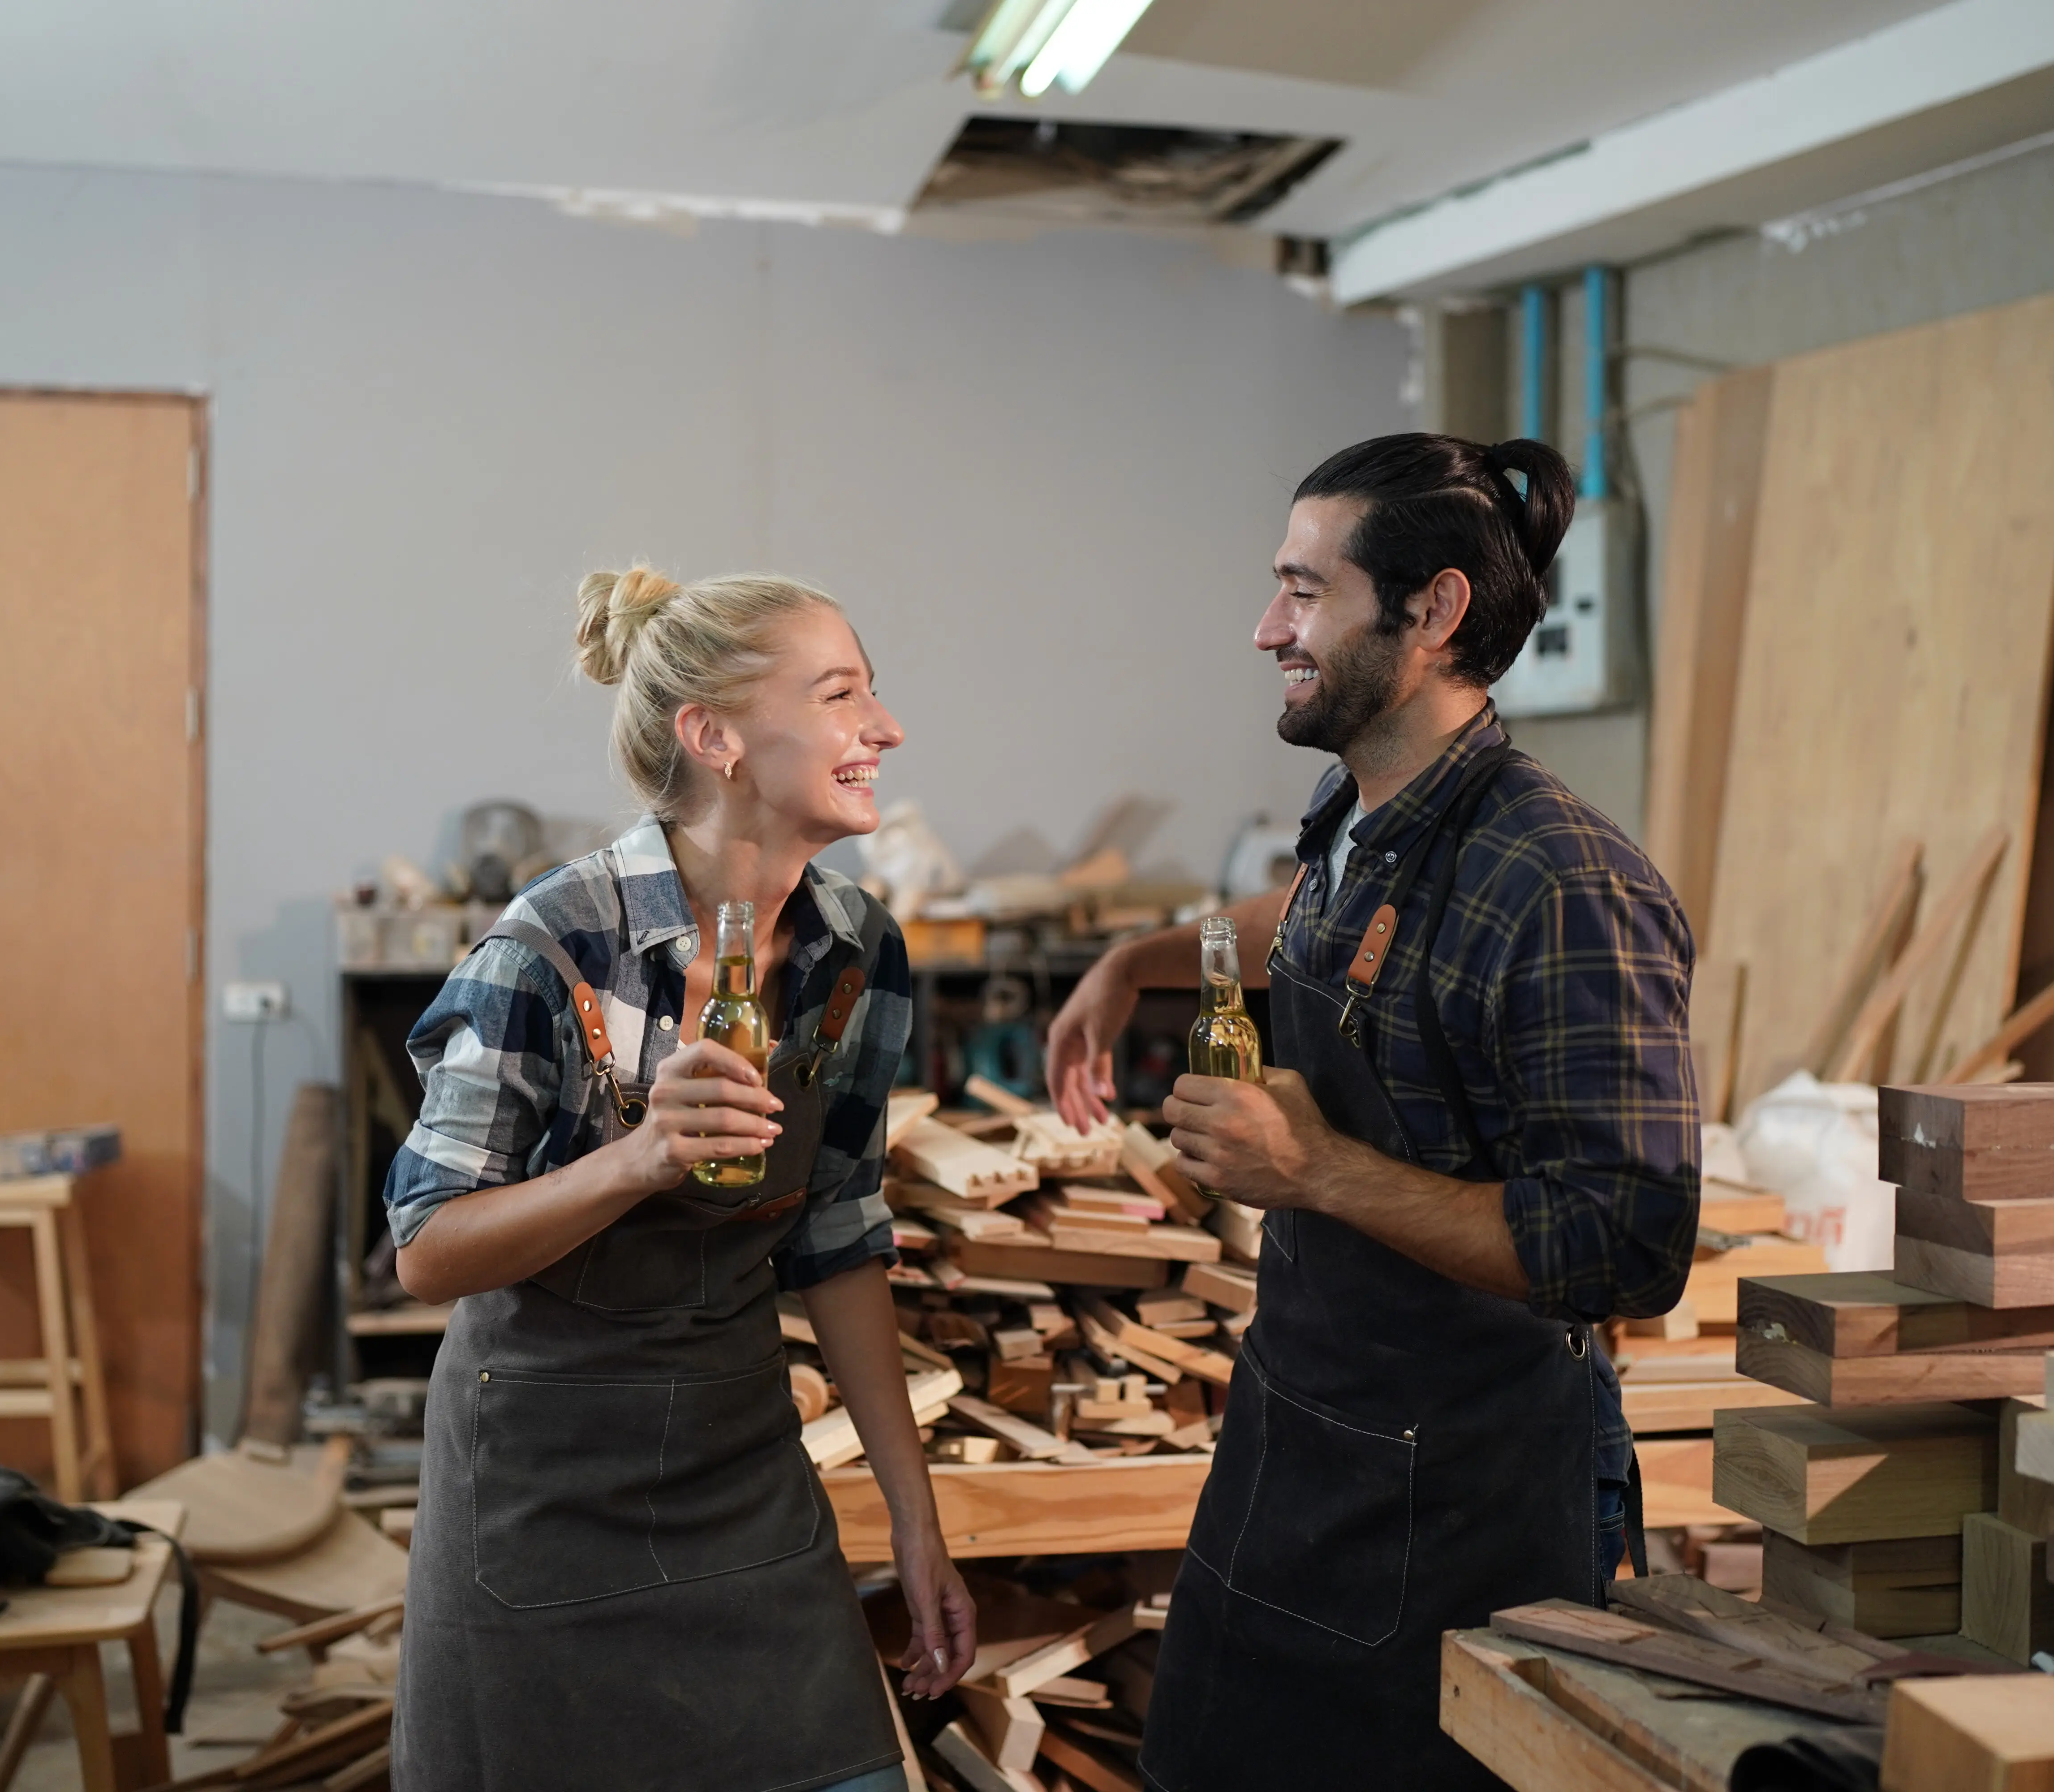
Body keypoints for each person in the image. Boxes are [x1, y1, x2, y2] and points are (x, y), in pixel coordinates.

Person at [1045, 435, 1700, 1790]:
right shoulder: (1364, 807)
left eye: (1305, 591)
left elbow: (1625, 1244)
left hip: (1464, 1502)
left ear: (1434, 613)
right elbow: (1326, 920)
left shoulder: (1566, 884)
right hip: (1299, 1439)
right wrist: (1136, 960)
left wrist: (1319, 1168)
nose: (1267, 627)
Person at [384, 566, 976, 1792]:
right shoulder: (553, 945)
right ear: (713, 739)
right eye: (841, 695)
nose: (887, 727)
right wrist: (638, 1159)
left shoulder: (858, 949)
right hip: (541, 1492)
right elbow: (428, 1248)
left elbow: (841, 1234)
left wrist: (919, 1527)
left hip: (738, 1469)